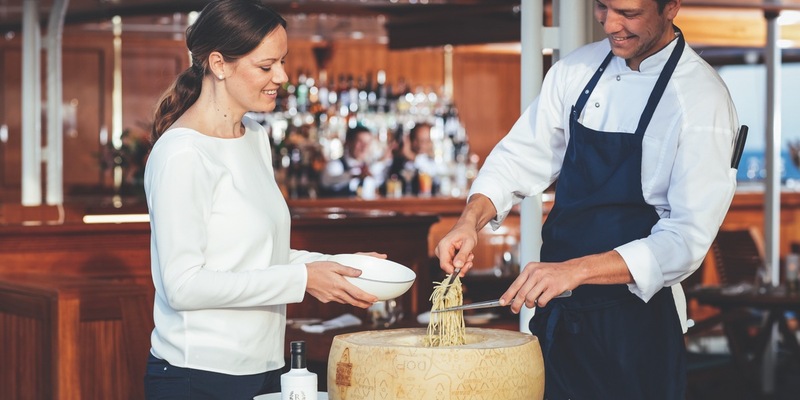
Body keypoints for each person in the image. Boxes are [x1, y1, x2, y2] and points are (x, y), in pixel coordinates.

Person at [435, 0, 739, 398]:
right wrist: (469, 220)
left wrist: (574, 270)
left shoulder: (702, 100)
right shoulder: (576, 71)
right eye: (602, 7)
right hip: (560, 319)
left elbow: (685, 241)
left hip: (636, 333)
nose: (611, 24)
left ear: (671, 8)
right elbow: (518, 158)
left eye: (628, 13)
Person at [143, 1, 379, 398]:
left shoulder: (255, 136)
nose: (282, 77)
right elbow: (182, 286)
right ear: (219, 65)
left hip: (267, 366)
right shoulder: (182, 153)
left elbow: (255, 257)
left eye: (282, 62)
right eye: (267, 66)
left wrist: (336, 266)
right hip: (197, 375)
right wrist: (304, 280)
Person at [319, 124, 386, 197]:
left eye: (368, 142)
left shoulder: (368, 167)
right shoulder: (335, 164)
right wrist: (353, 176)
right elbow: (327, 181)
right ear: (349, 142)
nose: (365, 147)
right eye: (360, 142)